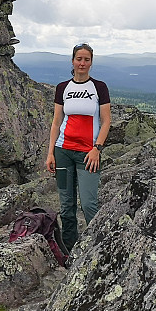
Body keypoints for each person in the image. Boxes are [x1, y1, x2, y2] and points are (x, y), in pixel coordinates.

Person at [44, 42, 111, 253]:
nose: (82, 63)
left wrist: (97, 148)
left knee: (89, 203)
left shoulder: (99, 87)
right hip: (63, 152)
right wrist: (50, 153)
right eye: (79, 59)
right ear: (72, 61)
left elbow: (106, 121)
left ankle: (98, 248)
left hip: (88, 154)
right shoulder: (63, 88)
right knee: (66, 206)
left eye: (86, 59)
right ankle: (70, 250)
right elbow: (56, 122)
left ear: (91, 62)